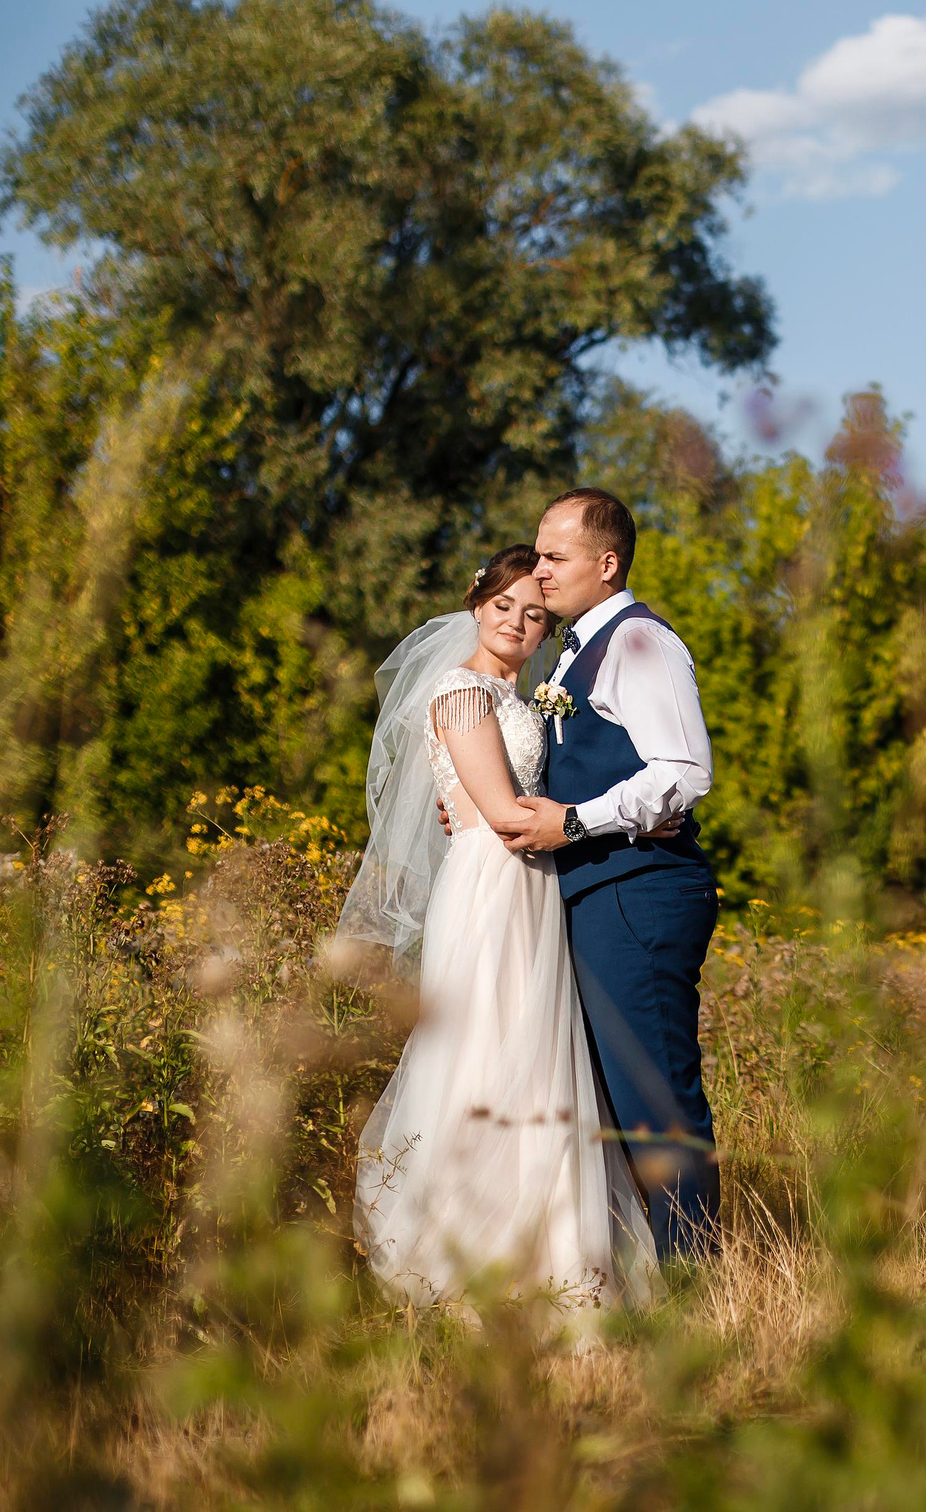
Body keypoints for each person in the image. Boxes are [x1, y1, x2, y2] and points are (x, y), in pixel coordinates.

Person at [342, 546, 658, 1310]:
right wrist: (629, 818)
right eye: (504, 606)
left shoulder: (523, 696)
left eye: (535, 613)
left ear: (547, 627)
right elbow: (505, 813)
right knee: (488, 1057)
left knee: (538, 1062)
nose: (517, 622)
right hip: (493, 886)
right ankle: (470, 1259)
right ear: (476, 604)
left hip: (532, 884)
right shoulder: (459, 691)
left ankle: (553, 1259)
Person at [488, 488, 723, 1261]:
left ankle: (693, 1282)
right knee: (614, 1104)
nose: (540, 570)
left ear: (607, 562)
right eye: (539, 554)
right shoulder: (576, 649)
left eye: (555, 556)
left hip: (639, 891)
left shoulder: (638, 641)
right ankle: (639, 1273)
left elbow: (684, 770)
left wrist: (575, 821)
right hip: (598, 891)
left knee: (654, 1103)